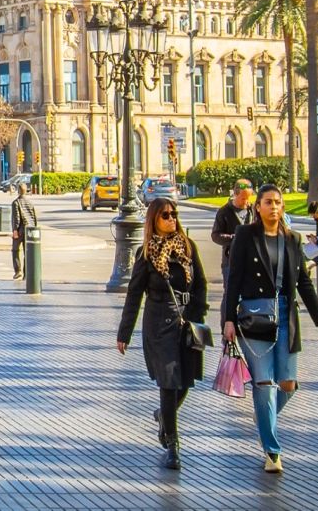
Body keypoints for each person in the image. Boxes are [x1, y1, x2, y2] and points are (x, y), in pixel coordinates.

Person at [218, 185, 318, 474]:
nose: (273, 207)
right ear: (257, 207)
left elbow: (304, 283)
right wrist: (228, 319)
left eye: (278, 203)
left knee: (288, 384)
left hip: (285, 315)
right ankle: (272, 451)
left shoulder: (292, 239)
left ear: (282, 208)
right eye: (268, 202)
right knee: (264, 384)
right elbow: (234, 279)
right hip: (254, 316)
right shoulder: (246, 235)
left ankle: (263, 415)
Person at [117, 198, 207, 469]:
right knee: (168, 382)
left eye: (174, 214)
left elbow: (201, 284)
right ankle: (173, 445)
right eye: (165, 215)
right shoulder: (146, 253)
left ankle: (163, 416)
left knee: (185, 381)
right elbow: (134, 294)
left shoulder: (188, 247)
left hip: (187, 322)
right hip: (159, 324)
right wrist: (124, 333)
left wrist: (197, 314)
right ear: (153, 220)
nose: (171, 219)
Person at [211, 180, 257, 249]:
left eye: (248, 198)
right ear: (235, 194)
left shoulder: (253, 210)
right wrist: (235, 238)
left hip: (251, 253)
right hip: (231, 253)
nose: (246, 201)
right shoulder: (224, 212)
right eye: (243, 198)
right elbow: (215, 236)